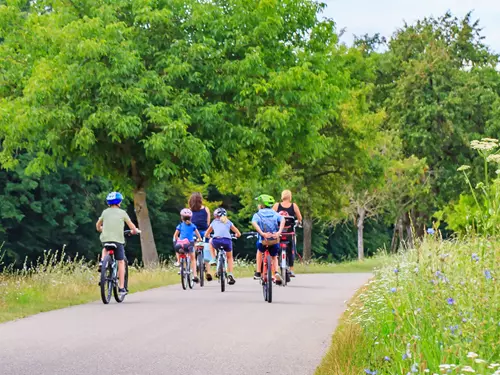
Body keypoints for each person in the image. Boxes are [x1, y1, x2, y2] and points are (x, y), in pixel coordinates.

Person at [96, 192, 139, 298]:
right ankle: (121, 287)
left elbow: (98, 225)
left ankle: (103, 263)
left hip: (106, 239)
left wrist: (101, 229)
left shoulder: (105, 212)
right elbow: (131, 226)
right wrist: (134, 231)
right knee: (120, 262)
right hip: (118, 240)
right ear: (119, 202)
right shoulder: (122, 213)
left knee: (105, 249)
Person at [252, 194, 285, 284]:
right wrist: (279, 232)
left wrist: (262, 233)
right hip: (274, 240)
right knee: (274, 256)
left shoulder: (258, 214)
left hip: (263, 240)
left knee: (259, 251)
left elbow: (254, 223)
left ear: (261, 205)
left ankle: (258, 272)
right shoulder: (275, 213)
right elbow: (283, 220)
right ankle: (276, 272)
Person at [204, 208, 241, 285]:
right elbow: (238, 233)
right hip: (227, 241)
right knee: (229, 257)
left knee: (211, 242)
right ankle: (230, 273)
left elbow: (206, 234)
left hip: (216, 241)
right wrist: (236, 235)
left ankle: (213, 259)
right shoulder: (228, 222)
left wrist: (209, 236)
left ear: (215, 216)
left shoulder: (214, 222)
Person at [272, 189, 302, 277]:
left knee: (275, 249)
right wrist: (298, 222)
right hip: (289, 232)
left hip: (278, 232)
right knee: (291, 249)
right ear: (290, 196)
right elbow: (300, 218)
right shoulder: (294, 206)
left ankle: (275, 269)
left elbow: (271, 216)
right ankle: (292, 269)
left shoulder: (276, 205)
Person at [189, 192, 213, 281]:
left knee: (193, 252)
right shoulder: (206, 209)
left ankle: (195, 269)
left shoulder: (189, 211)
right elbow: (208, 223)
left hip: (194, 232)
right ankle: (208, 271)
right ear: (200, 200)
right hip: (204, 232)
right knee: (207, 250)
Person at [173, 208, 202, 283]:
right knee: (193, 259)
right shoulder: (193, 226)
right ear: (190, 217)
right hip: (189, 244)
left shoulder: (180, 225)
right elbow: (198, 235)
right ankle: (195, 275)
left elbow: (175, 235)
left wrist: (178, 239)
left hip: (181, 244)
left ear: (181, 217)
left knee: (177, 247)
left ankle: (179, 261)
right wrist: (200, 239)